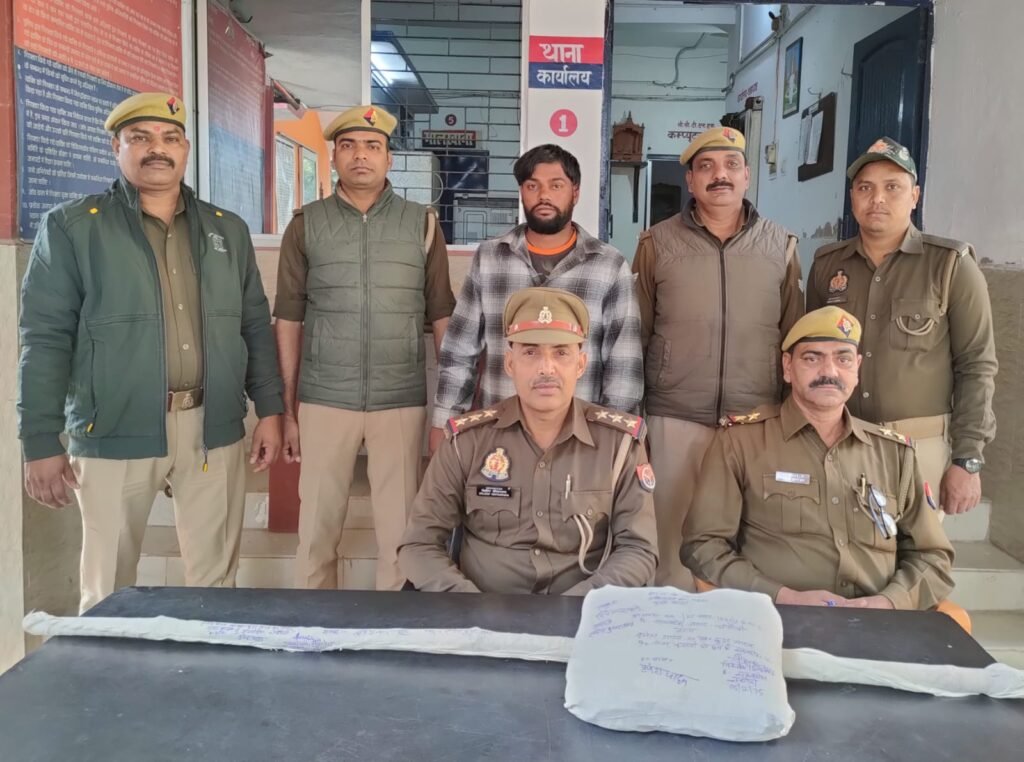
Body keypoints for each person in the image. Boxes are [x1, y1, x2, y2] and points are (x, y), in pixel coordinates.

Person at [19, 92, 284, 612]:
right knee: (108, 589)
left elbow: (254, 325)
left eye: (170, 138)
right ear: (116, 147)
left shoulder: (226, 229)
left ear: (186, 149)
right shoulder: (74, 227)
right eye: (139, 137)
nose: (156, 149)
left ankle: (206, 664)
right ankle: (106, 667)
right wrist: (39, 439)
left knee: (214, 584)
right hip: (114, 429)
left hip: (211, 428)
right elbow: (45, 338)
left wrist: (270, 410)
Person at [273, 104, 455, 591]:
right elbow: (288, 318)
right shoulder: (306, 224)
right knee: (316, 532)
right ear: (334, 157)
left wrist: (448, 409)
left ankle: (390, 629)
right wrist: (289, 409)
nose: (361, 156)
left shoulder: (422, 224)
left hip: (400, 399)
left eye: (373, 146)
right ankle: (315, 625)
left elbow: (442, 314)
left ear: (389, 159)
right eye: (349, 146)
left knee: (400, 535)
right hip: (324, 397)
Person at [681, 306, 954, 610]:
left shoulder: (894, 453)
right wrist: (782, 596)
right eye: (812, 358)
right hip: (779, 617)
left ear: (857, 368)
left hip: (879, 624)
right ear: (787, 367)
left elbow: (932, 556)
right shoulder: (741, 442)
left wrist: (889, 602)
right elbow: (703, 546)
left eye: (843, 359)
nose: (829, 372)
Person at [632, 126, 804, 588]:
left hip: (756, 419)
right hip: (675, 416)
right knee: (671, 535)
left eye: (731, 165)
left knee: (748, 538)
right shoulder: (656, 244)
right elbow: (637, 333)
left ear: (747, 176)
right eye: (705, 167)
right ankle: (671, 618)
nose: (719, 175)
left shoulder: (781, 245)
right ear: (690, 181)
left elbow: (793, 339)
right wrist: (636, 419)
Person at [399, 287, 658, 594]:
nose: (546, 368)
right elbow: (419, 543)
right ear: (510, 364)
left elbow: (639, 550)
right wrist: (467, 604)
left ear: (580, 364)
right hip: (481, 611)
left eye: (561, 352)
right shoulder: (466, 443)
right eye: (531, 352)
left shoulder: (619, 446)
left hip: (581, 613)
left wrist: (580, 605)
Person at [807, 136, 997, 516]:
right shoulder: (828, 266)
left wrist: (967, 458)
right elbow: (807, 356)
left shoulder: (950, 266)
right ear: (852, 197)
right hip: (839, 440)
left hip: (918, 449)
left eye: (892, 187)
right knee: (835, 549)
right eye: (865, 188)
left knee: (916, 553)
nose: (877, 198)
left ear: (915, 196)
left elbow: (976, 365)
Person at [429, 144, 642, 455]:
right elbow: (460, 351)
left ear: (575, 192)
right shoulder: (490, 258)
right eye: (533, 186)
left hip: (582, 441)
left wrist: (616, 441)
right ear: (522, 192)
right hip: (499, 435)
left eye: (556, 185)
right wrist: (443, 421)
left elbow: (623, 366)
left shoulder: (608, 266)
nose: (544, 195)